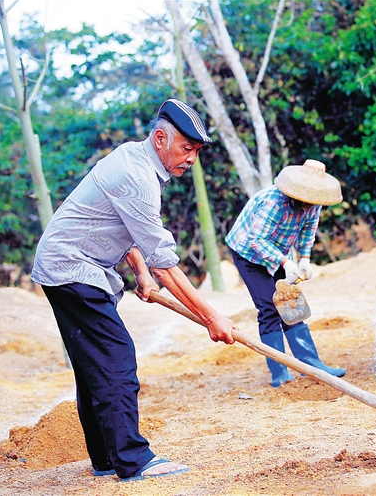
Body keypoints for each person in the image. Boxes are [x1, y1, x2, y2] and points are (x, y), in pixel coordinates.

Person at [31, 99, 238, 482]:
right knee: (116, 358)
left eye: (196, 152)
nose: (191, 159)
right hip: (72, 268)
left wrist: (140, 272)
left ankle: (107, 458)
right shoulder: (137, 177)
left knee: (95, 366)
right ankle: (132, 459)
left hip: (68, 265)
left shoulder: (134, 158)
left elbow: (119, 228)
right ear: (161, 138)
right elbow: (165, 262)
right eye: (186, 149)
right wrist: (212, 317)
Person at [226, 159, 346, 387]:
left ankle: (311, 365)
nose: (311, 205)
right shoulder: (274, 202)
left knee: (290, 302)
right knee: (269, 308)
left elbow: (308, 231)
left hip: (278, 251)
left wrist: (305, 259)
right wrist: (284, 262)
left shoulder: (314, 202)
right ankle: (279, 373)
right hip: (248, 252)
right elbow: (257, 239)